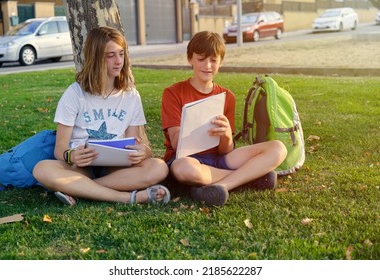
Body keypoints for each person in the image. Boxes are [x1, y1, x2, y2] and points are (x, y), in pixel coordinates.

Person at [33, 26, 170, 206]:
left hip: (116, 170)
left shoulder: (130, 95)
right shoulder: (75, 93)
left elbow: (132, 142)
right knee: (42, 169)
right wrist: (71, 157)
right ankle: (129, 197)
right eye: (110, 55)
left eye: (121, 54)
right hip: (81, 168)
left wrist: (145, 152)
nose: (118, 61)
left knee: (159, 167)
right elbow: (60, 150)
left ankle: (80, 190)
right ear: (96, 57)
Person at [161, 31, 287, 206]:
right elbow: (176, 144)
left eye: (213, 60)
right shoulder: (173, 93)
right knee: (184, 169)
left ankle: (222, 185)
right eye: (201, 59)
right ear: (190, 59)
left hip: (218, 160)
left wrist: (227, 134)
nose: (208, 66)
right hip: (185, 158)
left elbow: (225, 152)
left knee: (278, 148)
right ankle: (252, 177)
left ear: (220, 62)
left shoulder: (227, 96)